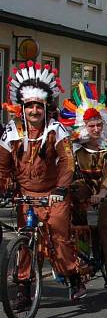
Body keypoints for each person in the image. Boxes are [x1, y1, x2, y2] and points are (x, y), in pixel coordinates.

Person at [0, 62, 83, 302]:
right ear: (22, 108)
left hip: (53, 193)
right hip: (26, 193)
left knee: (58, 232)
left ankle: (73, 275)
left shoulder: (55, 129)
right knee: (25, 240)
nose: (34, 111)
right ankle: (24, 287)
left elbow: (68, 162)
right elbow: (2, 165)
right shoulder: (11, 131)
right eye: (29, 106)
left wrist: (61, 188)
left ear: (45, 107)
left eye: (38, 106)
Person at [61, 94, 107, 290]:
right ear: (83, 127)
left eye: (99, 124)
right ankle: (80, 266)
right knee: (75, 221)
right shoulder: (75, 147)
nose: (96, 129)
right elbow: (66, 169)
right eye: (92, 126)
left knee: (105, 227)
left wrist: (102, 192)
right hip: (88, 189)